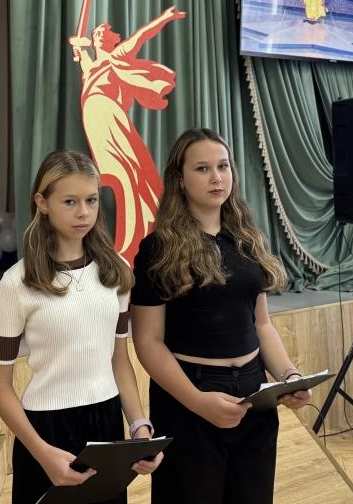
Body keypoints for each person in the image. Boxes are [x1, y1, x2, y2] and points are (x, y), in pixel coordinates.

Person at [131, 128, 311, 503]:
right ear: (180, 179)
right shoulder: (157, 249)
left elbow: (262, 325)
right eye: (202, 168)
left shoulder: (248, 239)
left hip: (254, 396)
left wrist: (289, 376)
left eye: (223, 166)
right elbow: (148, 342)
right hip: (189, 397)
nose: (216, 177)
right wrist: (198, 401)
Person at [0, 150, 162, 504]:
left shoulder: (116, 271)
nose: (84, 212)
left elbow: (119, 361)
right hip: (44, 431)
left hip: (107, 423)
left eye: (91, 200)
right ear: (42, 203)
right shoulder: (15, 283)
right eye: (70, 201)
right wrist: (41, 452)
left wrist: (139, 426)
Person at [68, 5, 186, 259]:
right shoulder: (91, 66)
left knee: (130, 173)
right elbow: (82, 57)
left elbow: (141, 35)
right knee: (116, 174)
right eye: (97, 33)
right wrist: (78, 47)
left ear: (111, 40)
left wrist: (164, 18)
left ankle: (140, 237)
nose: (99, 35)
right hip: (94, 116)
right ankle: (130, 238)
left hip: (110, 114)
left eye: (103, 32)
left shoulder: (117, 56)